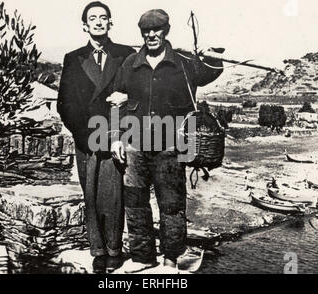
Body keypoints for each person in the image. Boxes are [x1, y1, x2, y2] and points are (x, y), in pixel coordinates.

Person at [110, 9, 224, 273]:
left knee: (172, 206)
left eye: (156, 29)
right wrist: (116, 138)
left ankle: (171, 259)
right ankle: (142, 257)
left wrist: (213, 54)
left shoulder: (184, 62)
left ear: (166, 31)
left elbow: (211, 71)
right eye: (146, 31)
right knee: (136, 204)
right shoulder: (130, 63)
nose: (151, 35)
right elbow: (116, 103)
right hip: (135, 146)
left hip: (172, 147)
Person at [57, 1, 135, 274]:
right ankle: (97, 250)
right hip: (86, 138)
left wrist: (127, 98)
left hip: (115, 135)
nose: (99, 22)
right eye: (93, 18)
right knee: (89, 194)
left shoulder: (126, 54)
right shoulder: (73, 58)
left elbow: (139, 92)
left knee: (113, 195)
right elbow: (64, 103)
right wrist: (83, 134)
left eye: (104, 18)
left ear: (110, 23)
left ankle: (114, 250)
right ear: (85, 25)